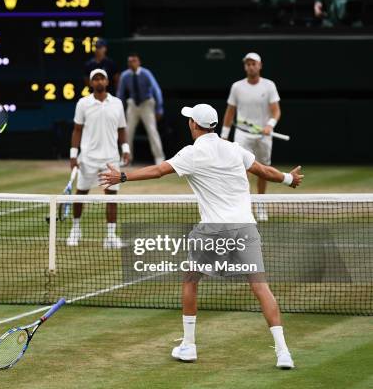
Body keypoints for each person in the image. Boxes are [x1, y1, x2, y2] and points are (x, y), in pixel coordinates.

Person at [100, 103, 303, 369]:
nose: (189, 123)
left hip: (212, 230)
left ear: (195, 125)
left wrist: (122, 176)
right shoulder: (233, 148)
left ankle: (189, 346)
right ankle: (283, 352)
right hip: (245, 227)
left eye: (190, 120)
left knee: (190, 280)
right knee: (260, 286)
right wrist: (288, 179)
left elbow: (159, 171)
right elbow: (264, 171)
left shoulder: (191, 153)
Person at [68, 68, 130, 249]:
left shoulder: (117, 103)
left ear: (107, 82)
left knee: (111, 196)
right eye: (95, 79)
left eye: (102, 78)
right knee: (81, 194)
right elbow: (77, 130)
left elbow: (121, 129)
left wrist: (125, 149)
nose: (99, 82)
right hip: (88, 158)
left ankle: (110, 236)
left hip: (111, 159)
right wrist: (73, 155)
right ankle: (76, 230)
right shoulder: (82, 103)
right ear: (91, 83)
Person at [221, 52, 281, 221]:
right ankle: (244, 206)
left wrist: (270, 125)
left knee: (263, 170)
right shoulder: (237, 87)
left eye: (253, 63)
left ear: (259, 66)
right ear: (245, 67)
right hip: (242, 134)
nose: (250, 66)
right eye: (247, 64)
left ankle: (260, 204)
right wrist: (224, 136)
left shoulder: (269, 86)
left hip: (263, 135)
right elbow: (230, 112)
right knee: (242, 170)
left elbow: (276, 111)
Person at [117, 53, 166, 165]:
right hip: (133, 104)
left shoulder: (146, 73)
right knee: (127, 132)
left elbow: (156, 90)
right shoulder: (125, 75)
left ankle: (159, 158)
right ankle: (126, 158)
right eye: (129, 61)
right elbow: (120, 93)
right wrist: (119, 110)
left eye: (134, 61)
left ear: (139, 62)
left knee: (152, 131)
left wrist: (159, 109)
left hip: (147, 104)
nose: (131, 63)